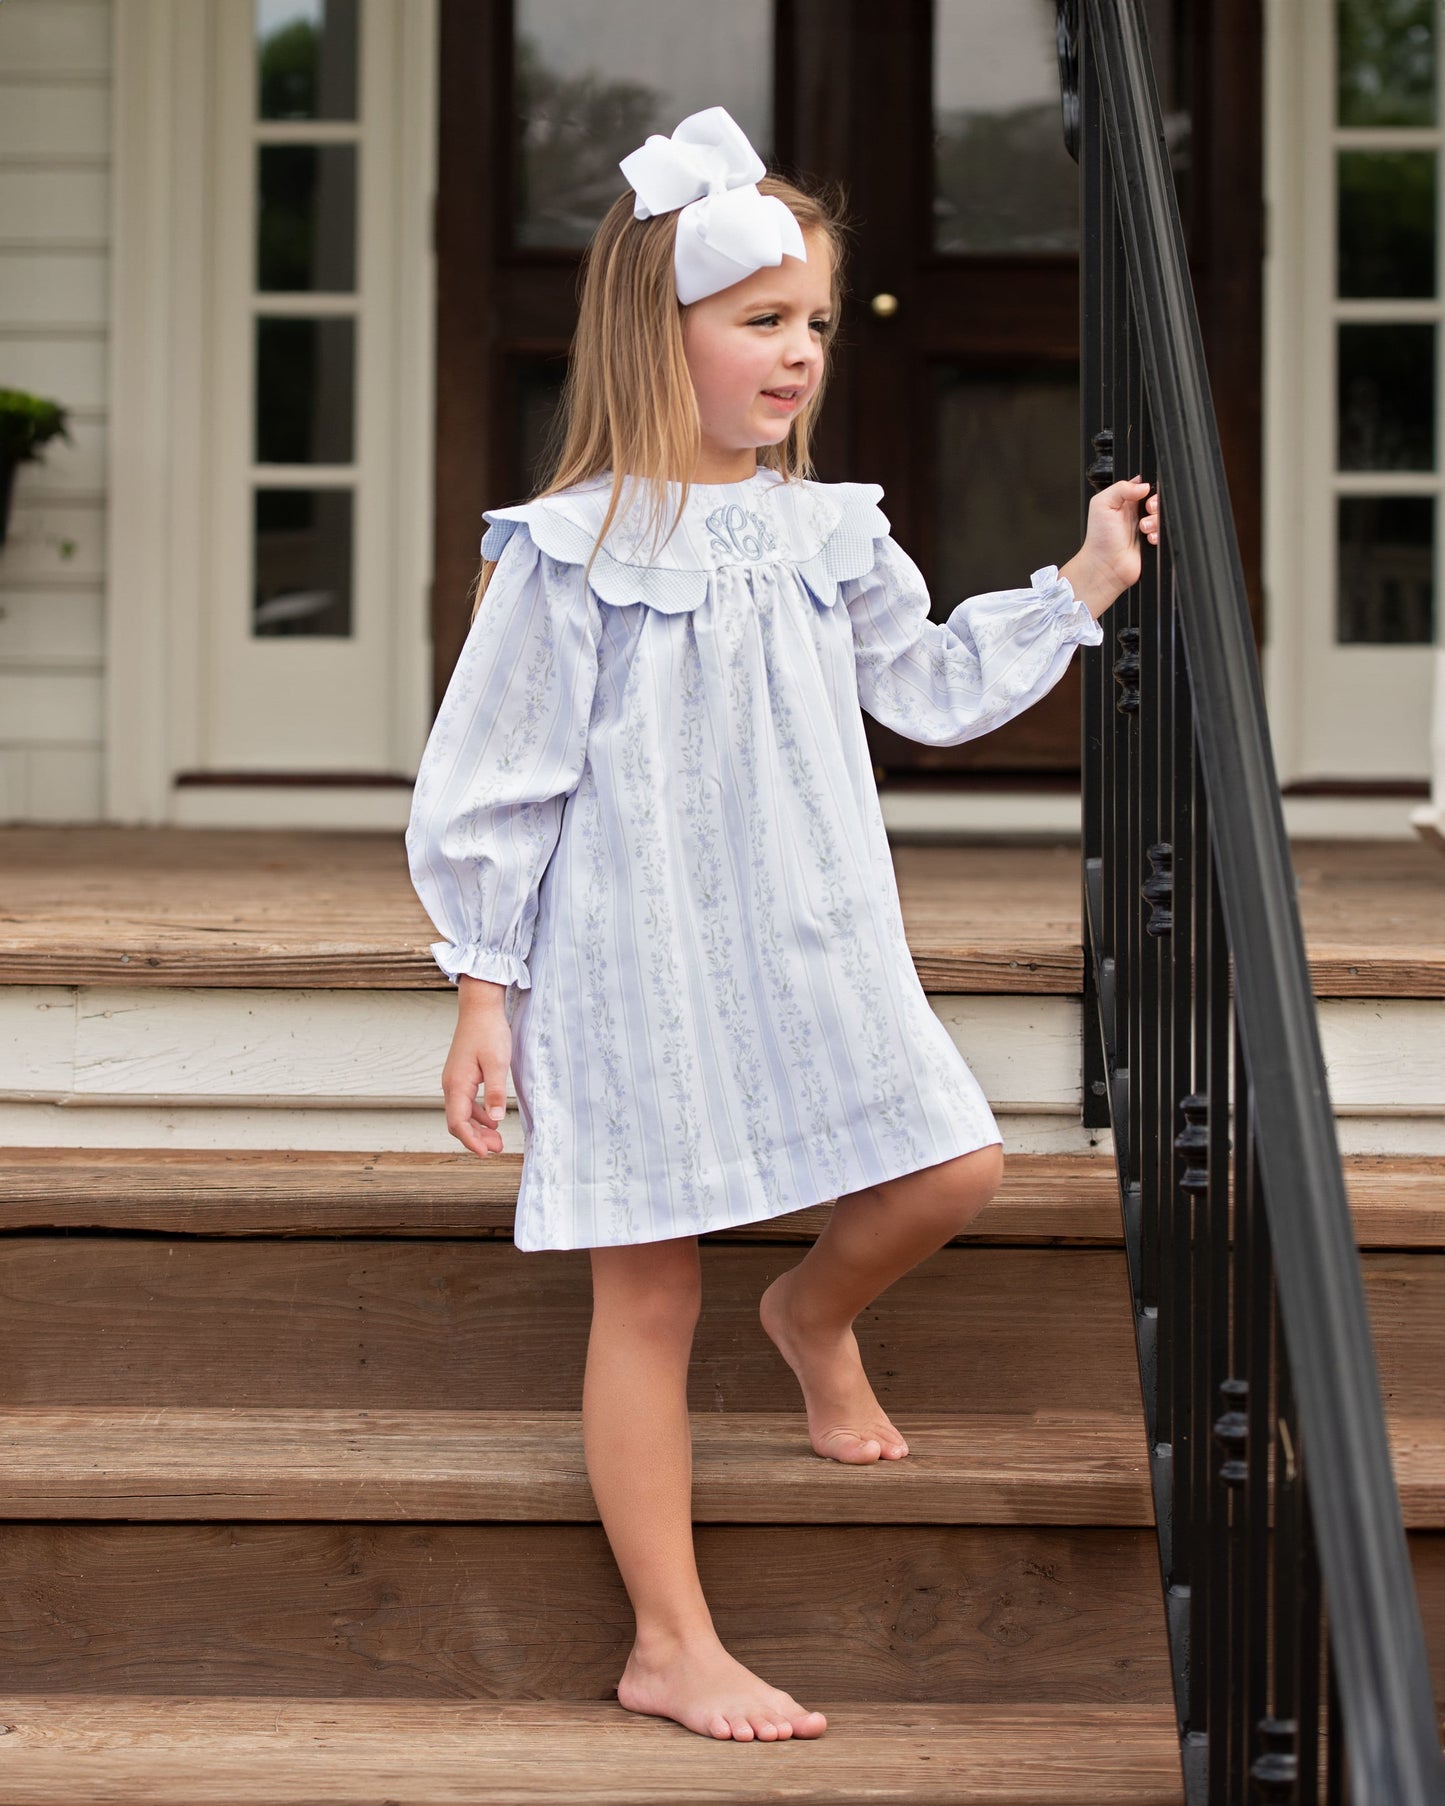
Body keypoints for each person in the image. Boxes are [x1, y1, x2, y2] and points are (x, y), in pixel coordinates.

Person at [406, 105, 1161, 1746]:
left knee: (954, 1164)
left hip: (815, 933)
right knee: (644, 1297)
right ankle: (669, 1641)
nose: (801, 351)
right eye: (761, 319)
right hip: (631, 964)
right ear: (657, 331)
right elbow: (496, 784)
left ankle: (811, 1311)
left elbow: (930, 685)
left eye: (813, 321)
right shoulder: (568, 554)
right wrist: (482, 990)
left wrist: (1083, 584)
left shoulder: (833, 531)